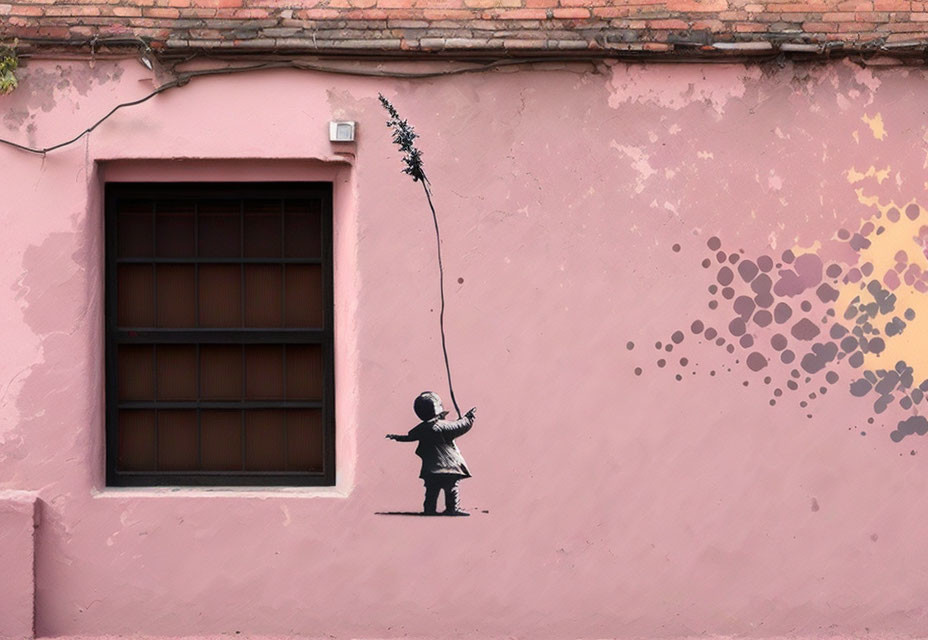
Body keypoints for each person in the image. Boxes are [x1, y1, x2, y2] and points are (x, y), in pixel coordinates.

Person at [386, 391, 477, 516]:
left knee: (431, 490)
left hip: (431, 467)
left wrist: (397, 437)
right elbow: (461, 426)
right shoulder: (444, 426)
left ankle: (429, 510)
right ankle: (452, 509)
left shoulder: (421, 428)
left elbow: (409, 437)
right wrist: (469, 417)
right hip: (450, 465)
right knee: (451, 489)